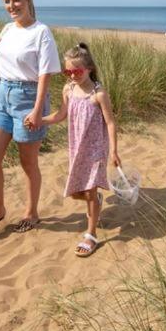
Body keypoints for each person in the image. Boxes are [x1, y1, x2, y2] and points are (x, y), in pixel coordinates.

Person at [0, 0, 61, 240]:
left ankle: (31, 212)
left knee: (28, 162)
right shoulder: (6, 29)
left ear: (27, 0)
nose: (11, 6)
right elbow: (5, 61)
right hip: (2, 96)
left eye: (16, 0)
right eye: (7, 1)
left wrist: (37, 110)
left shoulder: (41, 32)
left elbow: (46, 74)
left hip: (28, 97)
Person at [39, 43, 120, 257]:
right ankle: (96, 202)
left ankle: (91, 234)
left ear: (89, 68)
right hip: (77, 147)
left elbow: (111, 123)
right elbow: (60, 115)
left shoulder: (98, 94)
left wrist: (114, 151)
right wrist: (39, 121)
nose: (73, 75)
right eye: (68, 71)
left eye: (77, 71)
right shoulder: (68, 89)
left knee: (90, 191)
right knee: (79, 191)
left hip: (95, 149)